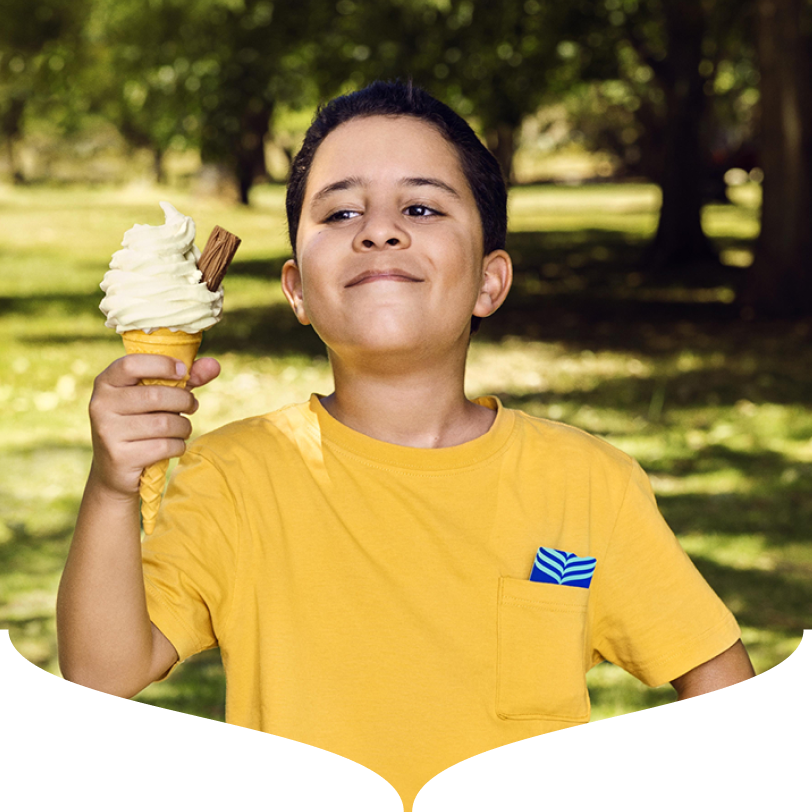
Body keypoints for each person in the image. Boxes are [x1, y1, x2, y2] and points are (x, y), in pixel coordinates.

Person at [58, 80, 755, 808]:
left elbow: (714, 668)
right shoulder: (232, 476)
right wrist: (111, 486)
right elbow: (103, 671)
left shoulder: (586, 483)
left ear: (490, 282)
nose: (379, 231)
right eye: (341, 212)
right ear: (297, 290)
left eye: (420, 208)